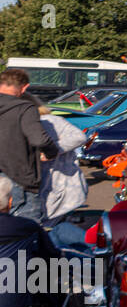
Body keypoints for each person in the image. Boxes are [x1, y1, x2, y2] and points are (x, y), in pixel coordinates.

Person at [0, 174, 59, 307]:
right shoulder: (26, 226)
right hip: (13, 303)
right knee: (39, 277)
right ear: (10, 202)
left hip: (10, 302)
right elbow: (52, 258)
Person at [27, 94, 89, 249]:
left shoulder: (50, 121)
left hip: (61, 185)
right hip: (47, 188)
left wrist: (51, 150)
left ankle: (93, 258)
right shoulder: (26, 124)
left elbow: (79, 137)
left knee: (54, 232)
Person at [0, 68, 58, 223]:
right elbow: (39, 139)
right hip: (18, 175)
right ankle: (21, 249)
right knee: (24, 227)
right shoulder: (24, 108)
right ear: (24, 87)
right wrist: (52, 152)